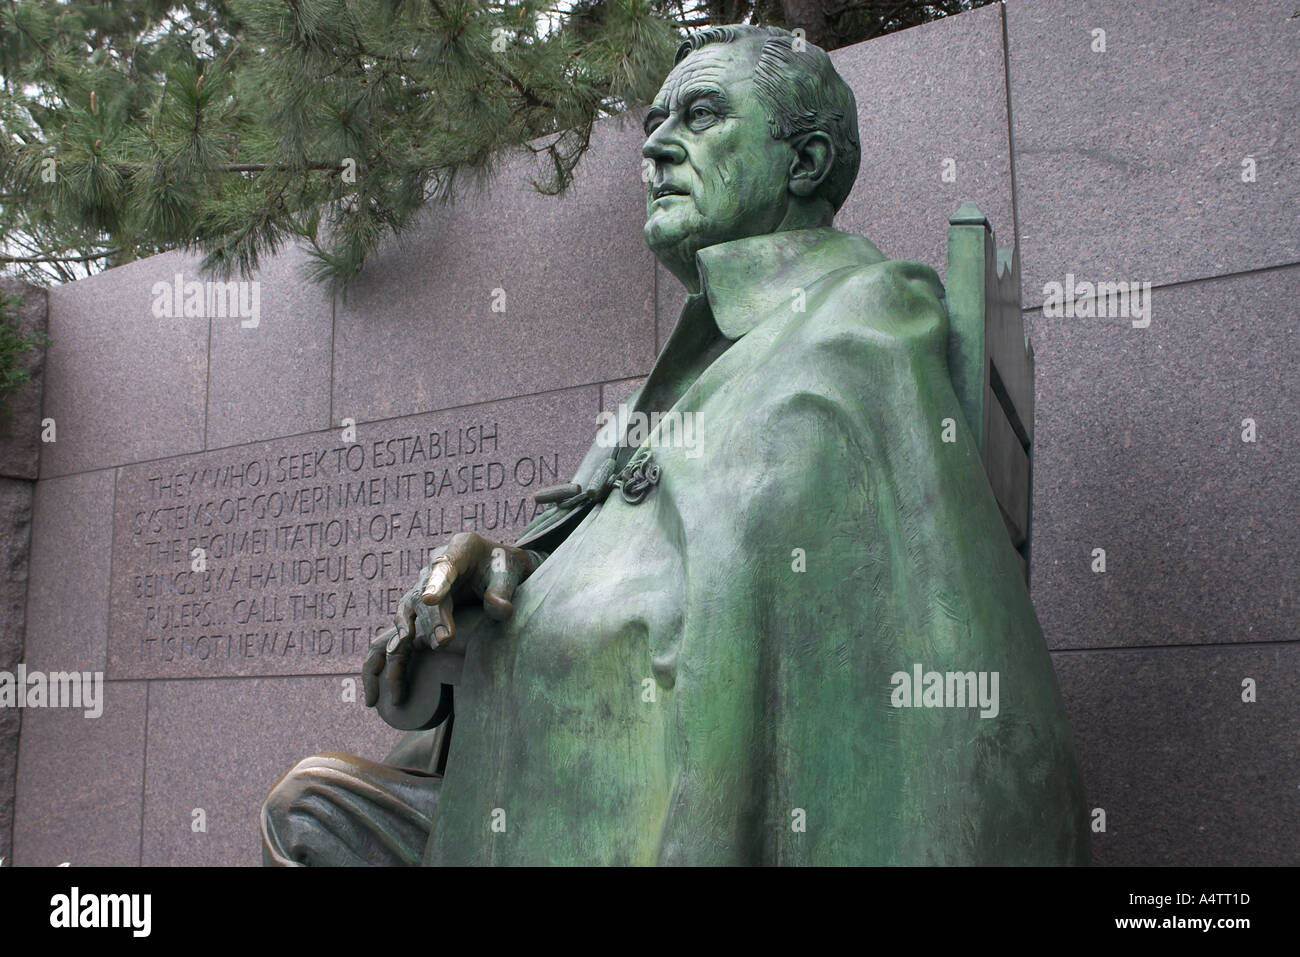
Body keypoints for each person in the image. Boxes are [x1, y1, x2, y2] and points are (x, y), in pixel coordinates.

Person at [261, 24, 1088, 866]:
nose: (655, 145)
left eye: (700, 115)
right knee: (310, 810)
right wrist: (502, 579)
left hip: (653, 820)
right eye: (656, 120)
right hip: (533, 786)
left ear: (803, 163)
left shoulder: (856, 326)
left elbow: (887, 661)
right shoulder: (688, 371)